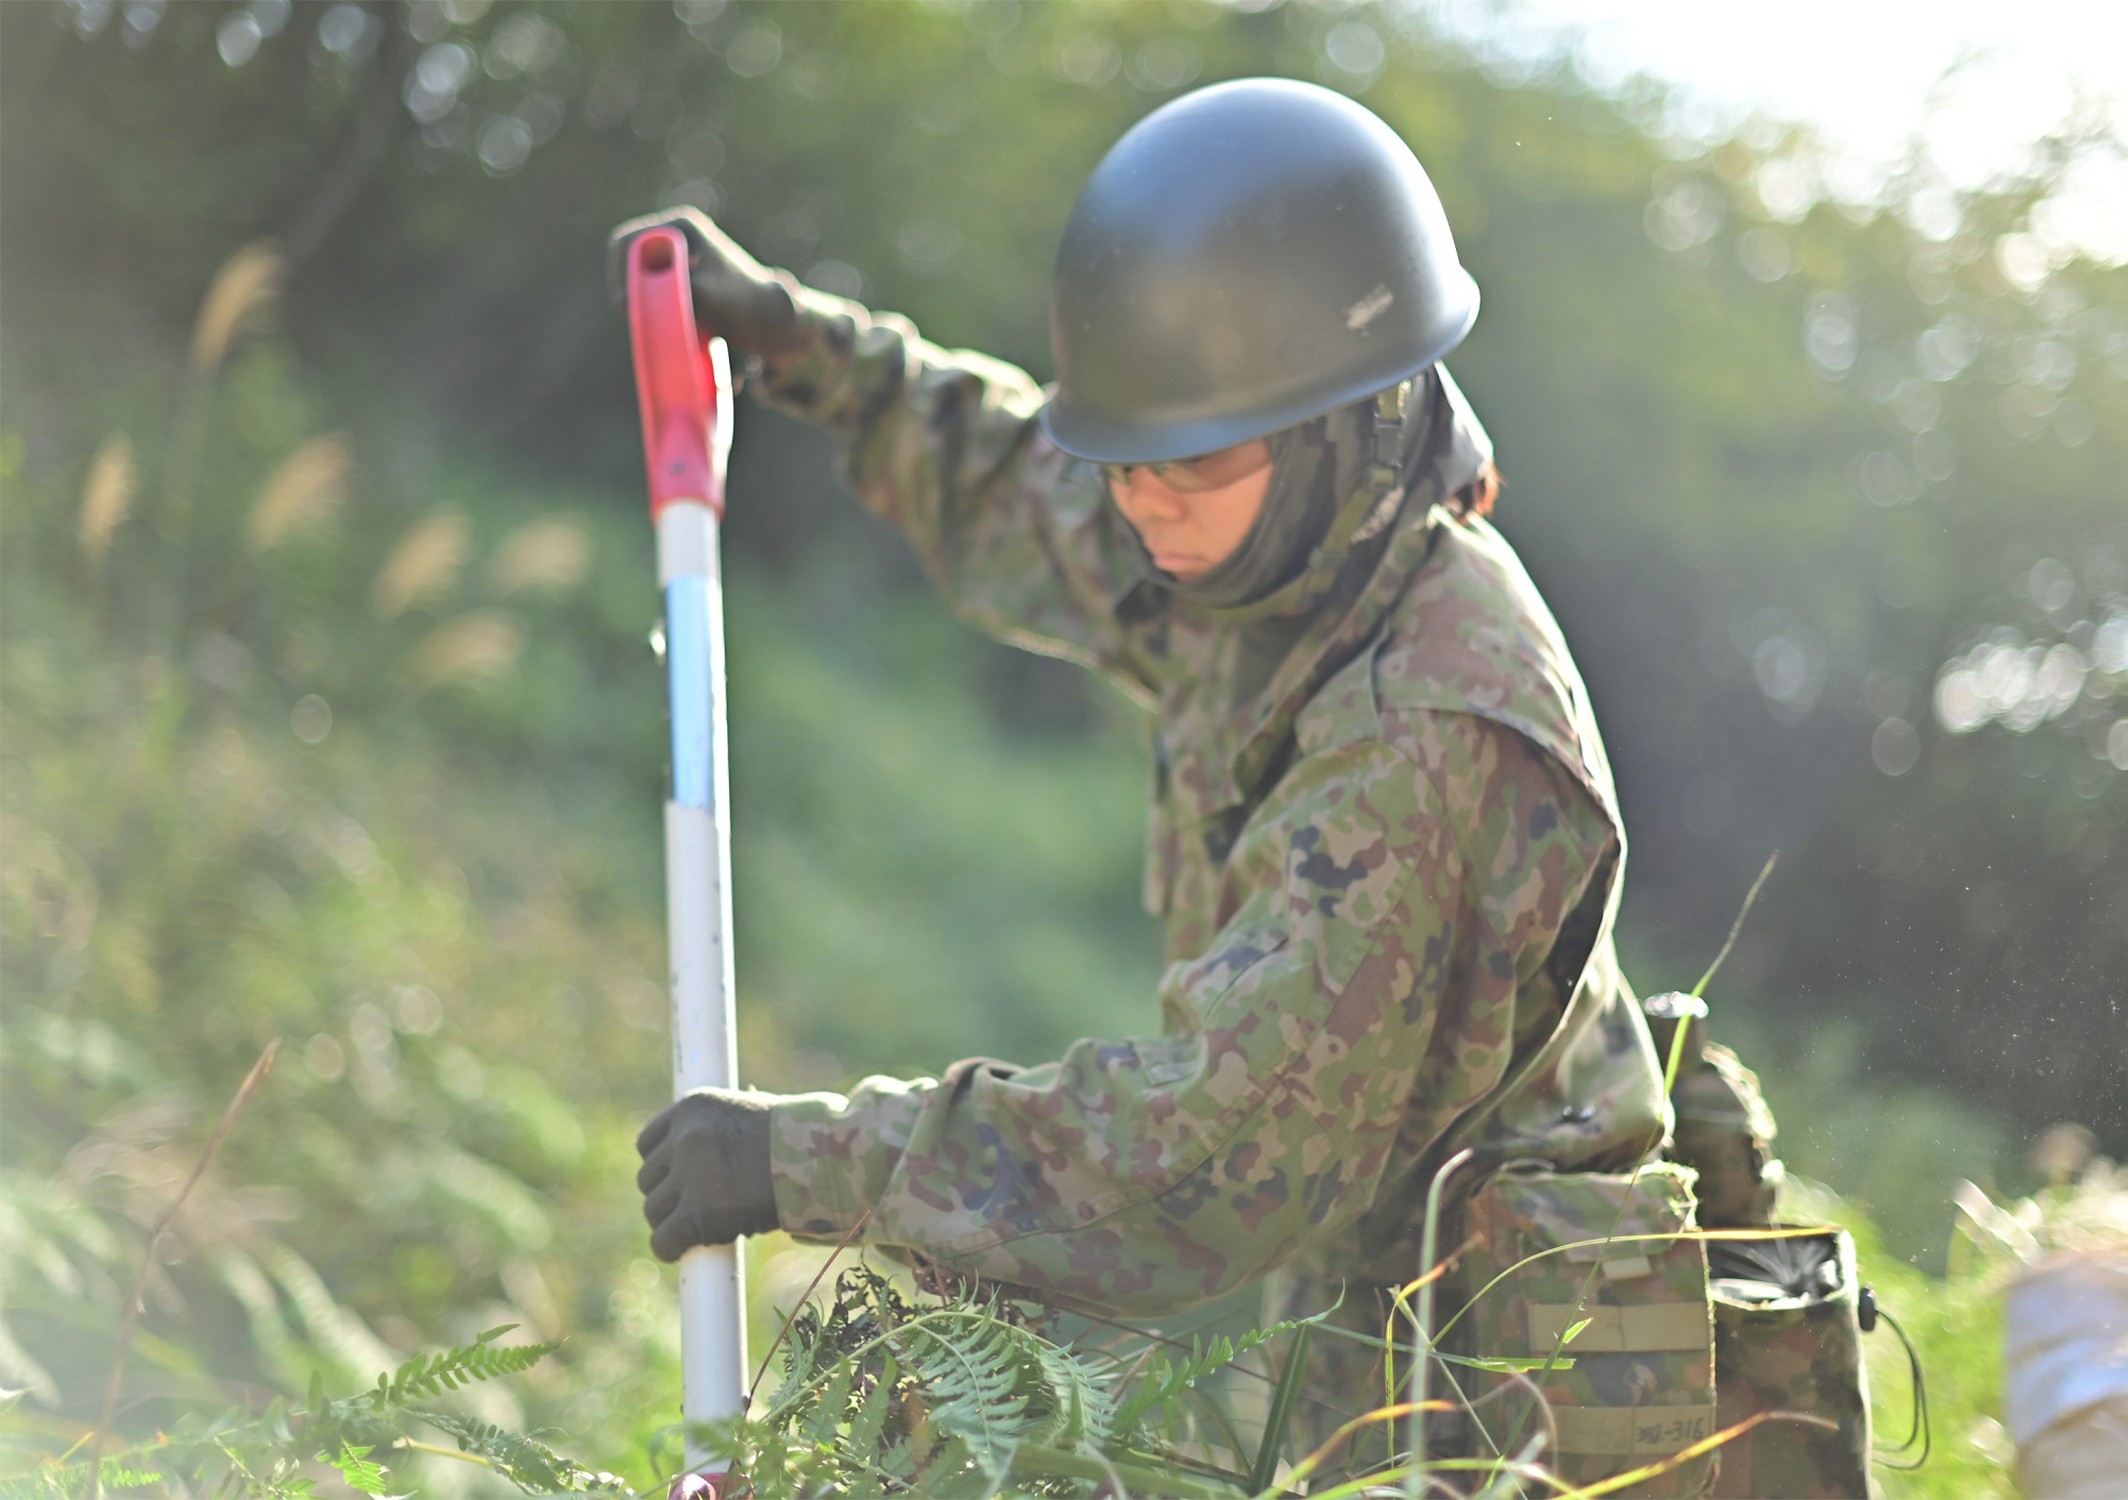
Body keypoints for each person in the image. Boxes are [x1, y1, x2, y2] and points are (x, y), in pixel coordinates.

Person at [622, 77, 1790, 1487]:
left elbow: (1201, 1164)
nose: (1142, 503)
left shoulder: (1422, 731)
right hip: (1363, 1279)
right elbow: (1020, 480)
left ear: (1345, 425)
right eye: (1128, 461)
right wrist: (805, 344)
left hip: (1515, 1378)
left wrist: (806, 1159)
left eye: (1189, 461)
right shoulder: (1257, 534)